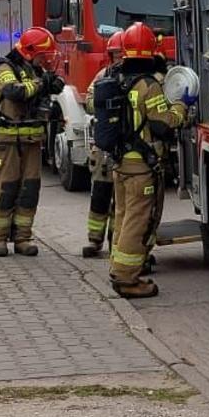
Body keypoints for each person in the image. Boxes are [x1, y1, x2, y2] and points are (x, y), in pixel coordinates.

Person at [108, 23, 188, 299]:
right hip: (142, 167)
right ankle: (127, 279)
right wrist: (181, 106)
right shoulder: (148, 86)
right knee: (138, 221)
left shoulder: (116, 78)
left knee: (122, 217)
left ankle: (117, 267)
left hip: (120, 164)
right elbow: (163, 125)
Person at [0, 26, 63, 257]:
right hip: (9, 142)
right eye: (42, 54)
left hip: (32, 141)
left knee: (30, 190)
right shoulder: (5, 68)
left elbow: (48, 86)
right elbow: (13, 91)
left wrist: (53, 82)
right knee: (7, 188)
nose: (44, 59)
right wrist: (42, 84)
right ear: (30, 51)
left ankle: (22, 237)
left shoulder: (34, 70)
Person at [82, 31, 128, 258]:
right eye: (114, 54)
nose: (117, 58)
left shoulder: (135, 78)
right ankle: (94, 240)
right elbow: (88, 102)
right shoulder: (103, 75)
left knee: (122, 200)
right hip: (103, 147)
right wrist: (104, 101)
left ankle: (116, 242)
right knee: (100, 194)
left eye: (120, 54)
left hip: (126, 145)